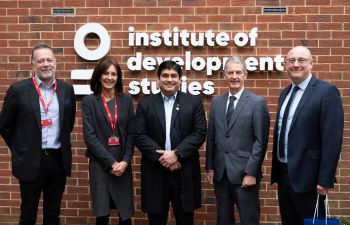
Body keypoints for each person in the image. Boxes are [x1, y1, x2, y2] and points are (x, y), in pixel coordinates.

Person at [0, 43, 76, 225]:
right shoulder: (18, 90)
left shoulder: (66, 90)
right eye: (40, 60)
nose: (45, 64)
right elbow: (5, 125)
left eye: (49, 60)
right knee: (28, 214)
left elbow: (68, 124)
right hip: (30, 160)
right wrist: (21, 148)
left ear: (55, 62)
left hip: (57, 160)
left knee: (53, 214)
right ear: (33, 64)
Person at [270, 46, 344, 225]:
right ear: (285, 65)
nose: (296, 64)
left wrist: (325, 180)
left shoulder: (326, 92)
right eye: (291, 61)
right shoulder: (284, 93)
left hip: (311, 180)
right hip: (284, 176)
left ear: (311, 63)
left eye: (301, 60)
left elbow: (332, 139)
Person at [133, 60, 207, 225]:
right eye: (165, 75)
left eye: (174, 76)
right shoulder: (145, 104)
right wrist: (165, 158)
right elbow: (139, 135)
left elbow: (200, 132)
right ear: (158, 79)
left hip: (184, 170)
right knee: (156, 221)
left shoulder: (193, 102)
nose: (169, 79)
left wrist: (176, 154)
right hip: (155, 172)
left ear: (180, 79)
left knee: (185, 220)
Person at [205, 56, 270, 225]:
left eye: (238, 72)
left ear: (245, 75)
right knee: (223, 220)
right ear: (224, 75)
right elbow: (211, 137)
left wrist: (251, 172)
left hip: (244, 174)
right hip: (221, 173)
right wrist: (210, 167)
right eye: (230, 72)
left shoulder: (257, 103)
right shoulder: (217, 102)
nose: (234, 76)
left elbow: (260, 141)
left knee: (249, 220)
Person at [81, 58, 134, 225]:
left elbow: (132, 133)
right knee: (102, 215)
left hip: (123, 163)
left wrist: (125, 161)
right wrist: (111, 163)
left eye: (113, 74)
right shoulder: (89, 101)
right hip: (100, 163)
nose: (109, 77)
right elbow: (89, 137)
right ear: (98, 76)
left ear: (118, 77)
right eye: (106, 73)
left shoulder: (126, 100)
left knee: (124, 214)